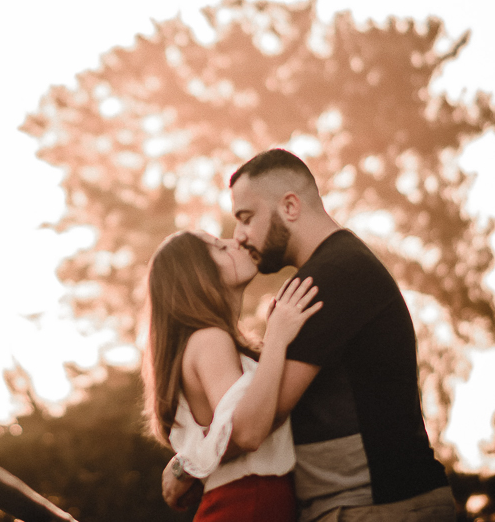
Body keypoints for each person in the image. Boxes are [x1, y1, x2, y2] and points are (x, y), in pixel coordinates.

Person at [163, 149, 455, 521]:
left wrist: (185, 466)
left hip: (377, 507)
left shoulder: (325, 279)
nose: (239, 236)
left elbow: (257, 423)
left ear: (289, 207)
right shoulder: (339, 267)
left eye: (247, 218)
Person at [144, 228, 322, 521]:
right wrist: (277, 337)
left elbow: (223, 433)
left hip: (253, 502)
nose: (235, 241)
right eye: (220, 248)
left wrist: (185, 466)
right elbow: (248, 432)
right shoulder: (209, 340)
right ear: (198, 275)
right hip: (247, 503)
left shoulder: (210, 341)